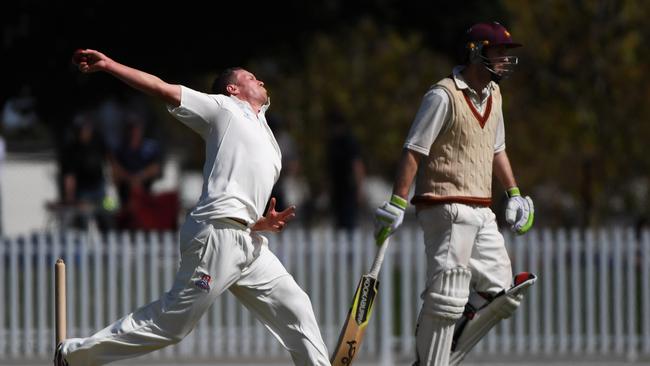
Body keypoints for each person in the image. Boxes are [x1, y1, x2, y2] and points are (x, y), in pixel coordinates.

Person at [56, 49, 330, 366]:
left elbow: (235, 187)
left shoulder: (267, 135)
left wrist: (258, 223)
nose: (260, 79)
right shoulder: (224, 108)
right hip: (216, 236)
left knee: (296, 305)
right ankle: (74, 356)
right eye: (250, 76)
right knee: (173, 325)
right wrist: (109, 65)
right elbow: (159, 87)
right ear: (233, 88)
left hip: (248, 242)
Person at [373, 22, 536, 366]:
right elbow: (414, 150)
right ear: (476, 51)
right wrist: (398, 201)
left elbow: (497, 149)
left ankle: (448, 336)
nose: (505, 59)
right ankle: (432, 352)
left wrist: (515, 193)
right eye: (498, 52)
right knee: (447, 293)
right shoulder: (443, 95)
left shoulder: (494, 94)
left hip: (482, 207)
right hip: (443, 205)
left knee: (502, 291)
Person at [58, 112, 112, 231]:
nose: (83, 132)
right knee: (83, 219)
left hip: (100, 187)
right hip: (82, 191)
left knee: (107, 214)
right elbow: (69, 177)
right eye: (80, 130)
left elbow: (110, 160)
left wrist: (112, 184)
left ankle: (107, 240)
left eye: (85, 128)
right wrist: (70, 198)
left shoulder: (98, 140)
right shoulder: (71, 149)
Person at [326, 109, 365, 231]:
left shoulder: (349, 141)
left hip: (349, 188)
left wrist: (359, 189)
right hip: (337, 189)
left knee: (349, 223)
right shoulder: (333, 143)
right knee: (339, 223)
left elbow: (357, 166)